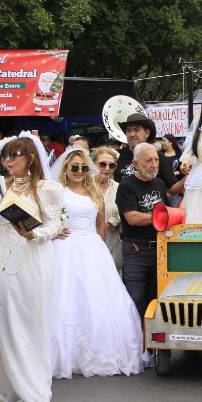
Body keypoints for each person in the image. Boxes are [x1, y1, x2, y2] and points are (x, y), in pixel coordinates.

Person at [0, 135, 60, 402]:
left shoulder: (46, 188)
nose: (9, 161)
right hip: (2, 256)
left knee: (31, 318)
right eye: (6, 156)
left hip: (33, 257)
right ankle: (3, 384)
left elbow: (55, 225)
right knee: (4, 318)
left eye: (15, 155)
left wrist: (36, 234)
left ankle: (33, 386)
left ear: (30, 158)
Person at [49, 149, 143, 378]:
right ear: (65, 169)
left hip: (92, 248)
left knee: (98, 301)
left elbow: (100, 224)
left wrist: (95, 245)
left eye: (83, 167)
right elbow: (49, 218)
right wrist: (55, 233)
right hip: (65, 248)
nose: (79, 172)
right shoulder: (57, 192)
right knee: (65, 299)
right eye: (74, 167)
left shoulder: (94, 193)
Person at [116, 143, 168, 316]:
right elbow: (132, 218)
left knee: (157, 297)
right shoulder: (126, 186)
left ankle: (151, 340)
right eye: (148, 161)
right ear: (135, 164)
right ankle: (135, 341)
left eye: (156, 160)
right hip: (136, 250)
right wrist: (161, 217)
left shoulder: (160, 183)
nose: (154, 164)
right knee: (135, 298)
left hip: (160, 249)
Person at [114, 113, 181, 196]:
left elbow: (172, 188)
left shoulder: (158, 157)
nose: (132, 134)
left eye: (136, 130)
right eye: (128, 130)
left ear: (147, 133)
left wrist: (188, 178)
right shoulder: (117, 156)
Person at [93, 147, 123, 272]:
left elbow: (125, 212)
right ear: (93, 164)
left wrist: (115, 221)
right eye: (102, 164)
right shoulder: (83, 187)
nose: (107, 168)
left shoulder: (120, 188)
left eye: (112, 165)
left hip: (112, 242)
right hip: (89, 243)